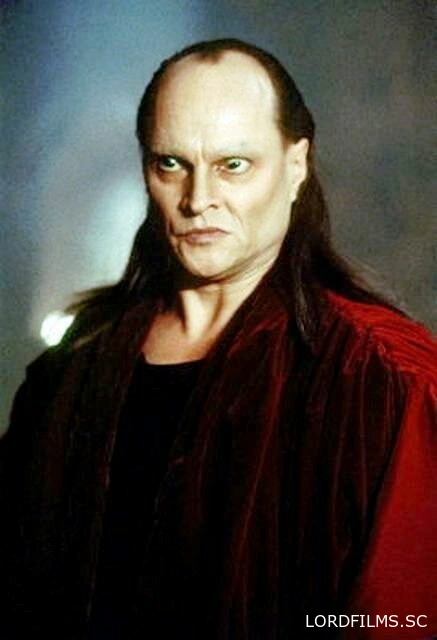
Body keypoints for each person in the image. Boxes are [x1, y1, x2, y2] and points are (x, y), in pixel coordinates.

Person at [1, 39, 436, 640]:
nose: (198, 199)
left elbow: (403, 618)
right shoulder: (74, 369)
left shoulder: (382, 378)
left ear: (296, 166)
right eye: (171, 164)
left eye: (233, 165)